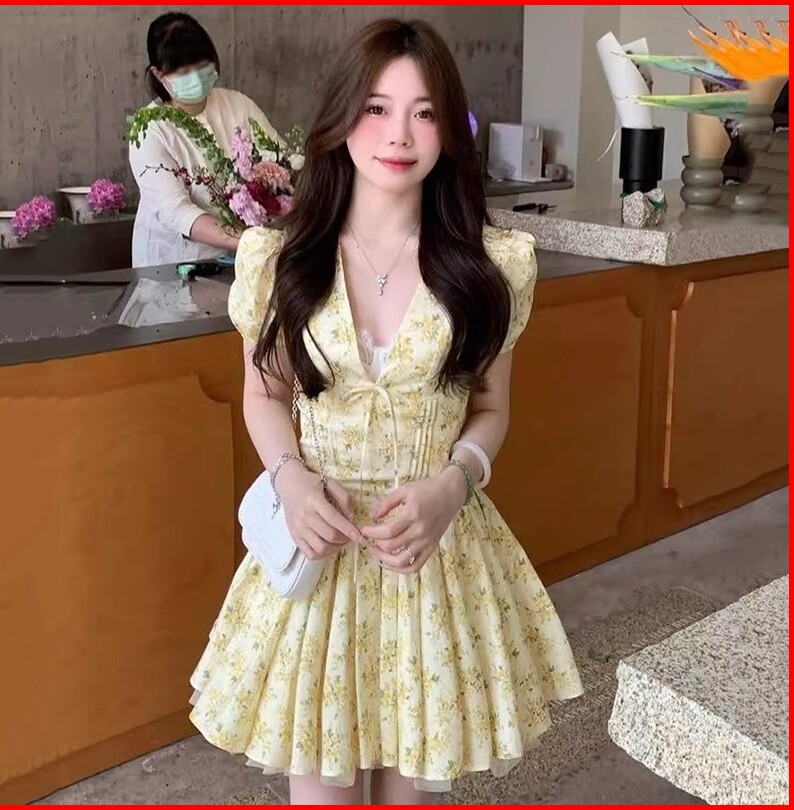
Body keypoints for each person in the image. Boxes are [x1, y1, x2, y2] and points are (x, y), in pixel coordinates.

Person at [189, 18, 583, 806]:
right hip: (319, 553)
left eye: (424, 112)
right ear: (342, 117)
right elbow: (264, 393)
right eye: (377, 108)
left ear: (449, 130)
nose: (399, 134)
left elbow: (491, 407)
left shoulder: (492, 266)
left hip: (431, 559)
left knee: (408, 794)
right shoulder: (280, 258)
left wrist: (452, 486)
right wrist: (291, 480)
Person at [129, 12, 282, 267]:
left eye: (202, 66)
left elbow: (280, 159)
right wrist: (249, 240)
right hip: (176, 263)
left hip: (244, 259)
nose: (196, 76)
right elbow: (177, 211)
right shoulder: (151, 130)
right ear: (158, 74)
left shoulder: (238, 105)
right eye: (183, 71)